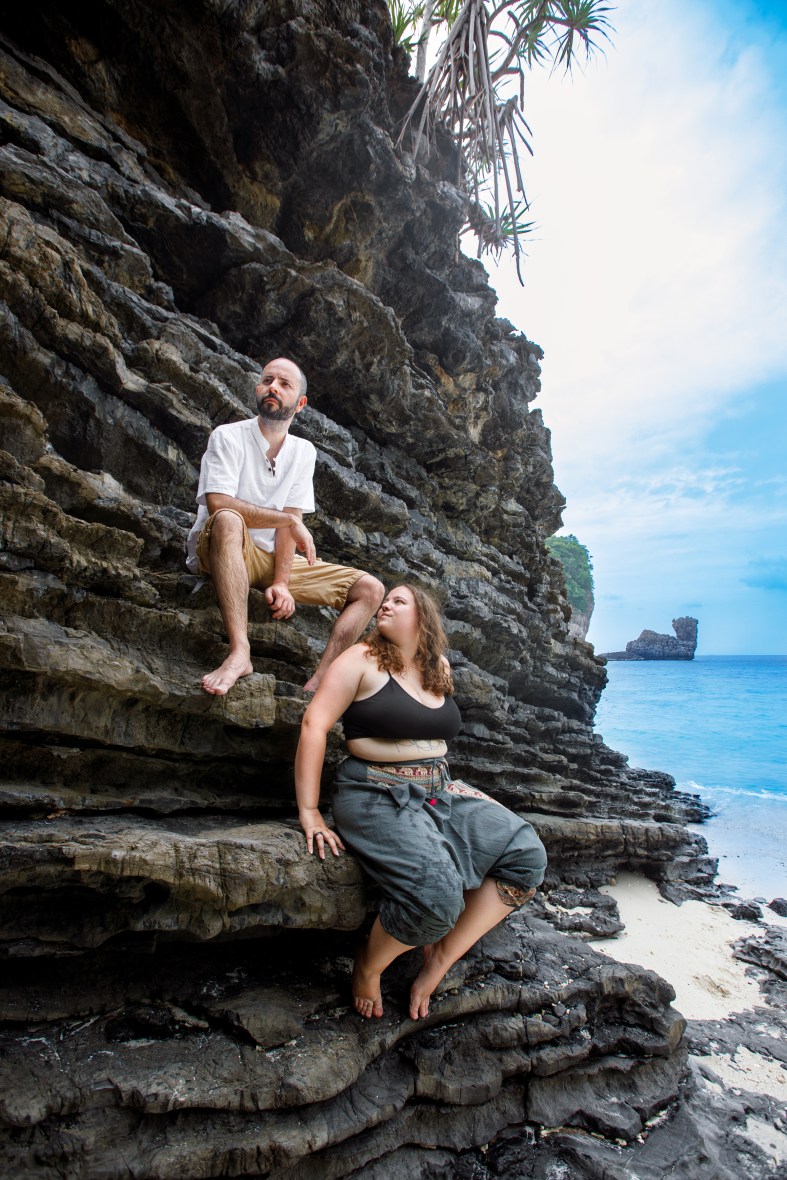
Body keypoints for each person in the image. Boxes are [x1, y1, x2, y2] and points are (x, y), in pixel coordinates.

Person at [294, 583, 547, 1021]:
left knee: (527, 855)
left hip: (440, 789)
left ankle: (439, 960)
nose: (385, 605)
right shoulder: (360, 659)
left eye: (398, 600)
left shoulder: (439, 667)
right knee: (438, 896)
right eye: (384, 600)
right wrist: (310, 811)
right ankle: (369, 965)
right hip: (374, 792)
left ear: (422, 617)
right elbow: (313, 725)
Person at [186, 358, 384, 695]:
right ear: (258, 389)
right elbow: (218, 504)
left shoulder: (303, 452)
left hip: (271, 558)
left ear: (300, 403)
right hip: (225, 547)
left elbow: (289, 524)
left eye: (284, 384)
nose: (273, 387)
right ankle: (240, 653)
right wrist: (288, 520)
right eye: (268, 380)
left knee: (371, 590)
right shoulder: (228, 436)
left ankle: (322, 680)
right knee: (229, 519)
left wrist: (281, 582)